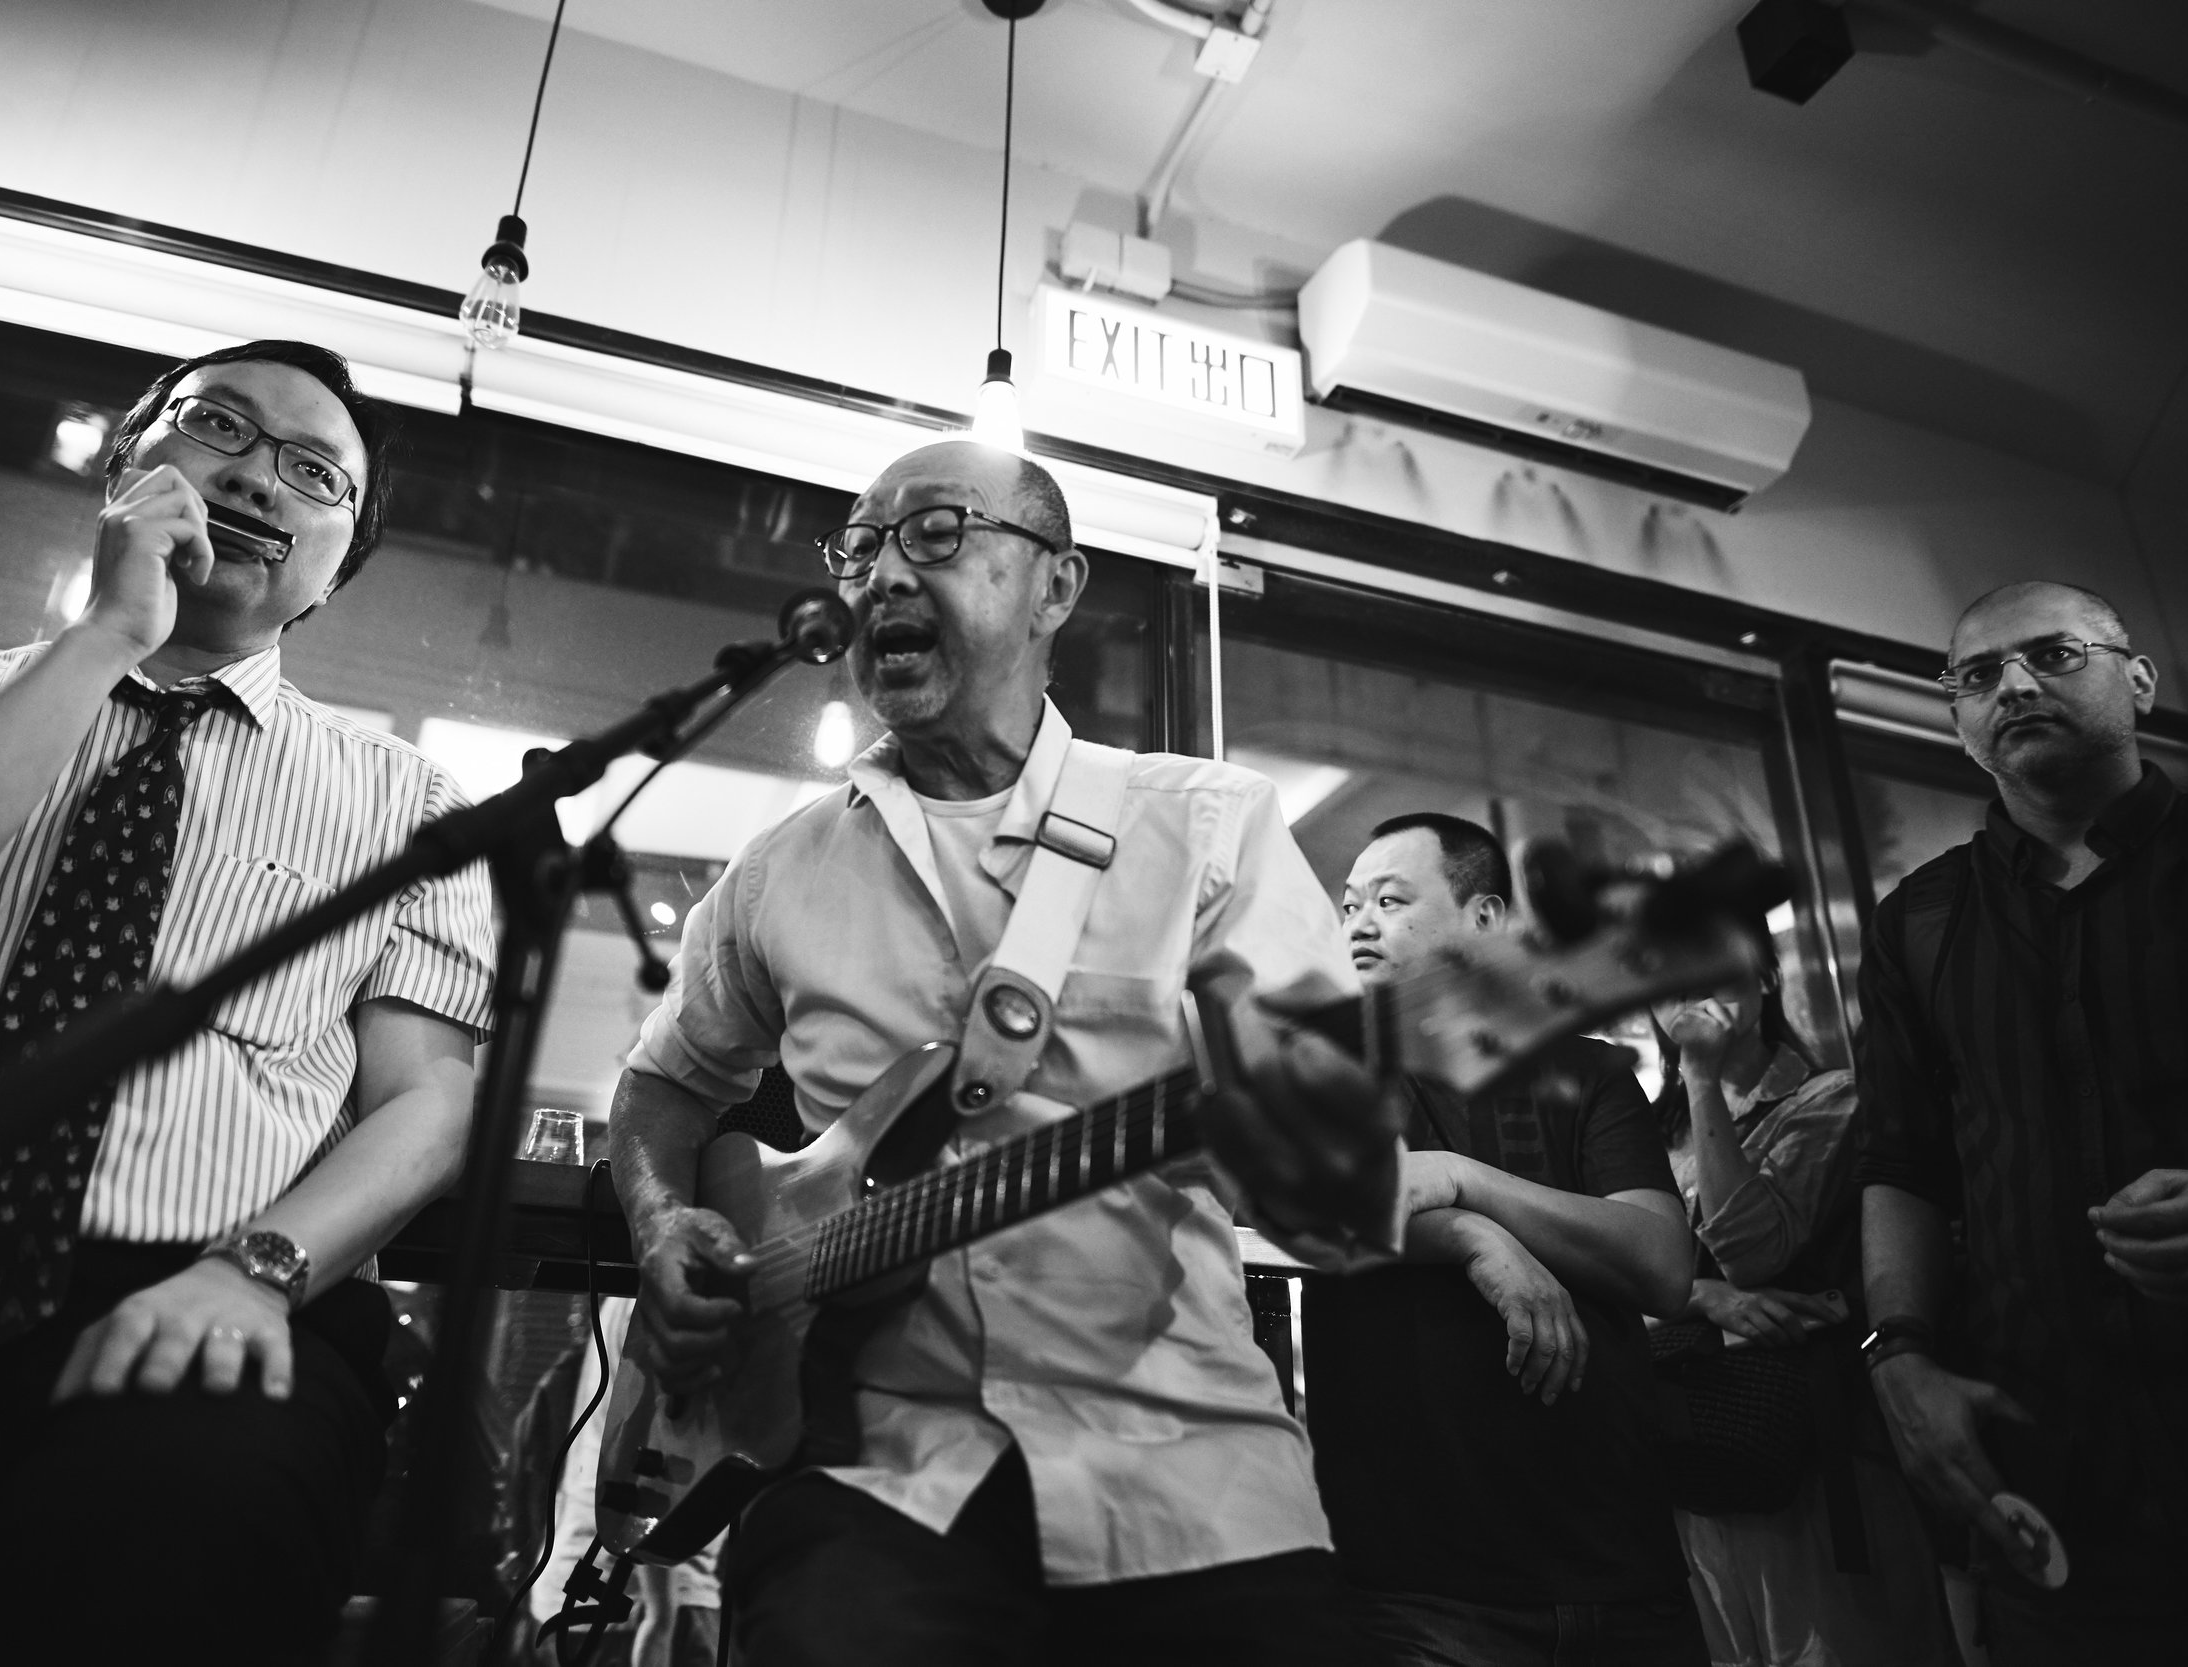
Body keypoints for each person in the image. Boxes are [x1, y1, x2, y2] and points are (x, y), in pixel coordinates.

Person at [0, 341, 496, 1665]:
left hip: (215, 1302)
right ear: (129, 463)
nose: (258, 477)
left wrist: (258, 1272)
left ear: (337, 561)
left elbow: (427, 1103)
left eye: (316, 473)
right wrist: (105, 640)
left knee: (187, 1521)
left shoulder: (409, 802)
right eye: (217, 427)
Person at [608, 439, 1398, 1666]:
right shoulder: (782, 868)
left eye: (934, 534)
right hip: (866, 1471)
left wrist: (1307, 1144)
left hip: (1190, 1476)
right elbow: (664, 1082)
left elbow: (1338, 1205)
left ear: (1057, 587)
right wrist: (666, 1227)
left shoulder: (1204, 824)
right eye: (860, 549)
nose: (880, 579)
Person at [1856, 580, 2188, 1665]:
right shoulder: (1919, 917)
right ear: (1959, 719)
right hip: (2054, 1469)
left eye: (2053, 654)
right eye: (1977, 675)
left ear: (2136, 680)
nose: (2013, 684)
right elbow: (1902, 1159)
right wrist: (1897, 1356)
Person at [1306, 812, 1705, 1666]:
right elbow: (1318, 1204)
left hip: (1623, 1565)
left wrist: (1468, 1178)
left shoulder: (1590, 1071)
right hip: (1423, 1586)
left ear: (1484, 921)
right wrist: (1476, 1239)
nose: (1359, 922)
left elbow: (1663, 1264)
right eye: (1349, 905)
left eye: (1391, 898)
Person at [1650, 961, 1950, 1666]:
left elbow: (1754, 1249)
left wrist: (1700, 1076)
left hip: (1816, 1454)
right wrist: (1699, 1296)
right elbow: (1613, 1283)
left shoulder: (1831, 1097)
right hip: (1693, 1457)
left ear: (1763, 975)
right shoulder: (1639, 1128)